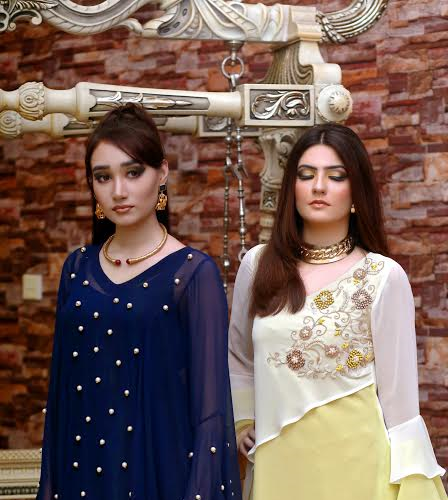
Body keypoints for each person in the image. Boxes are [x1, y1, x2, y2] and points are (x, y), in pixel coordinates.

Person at [229, 123, 447, 500]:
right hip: (278, 465)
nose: (318, 186)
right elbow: (239, 359)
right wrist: (242, 421)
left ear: (356, 192)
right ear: (291, 188)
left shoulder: (381, 277)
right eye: (306, 174)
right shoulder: (259, 265)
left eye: (335, 176)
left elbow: (400, 407)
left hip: (361, 469)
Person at [37, 103, 242, 500]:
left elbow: (211, 414)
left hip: (162, 475)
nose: (118, 191)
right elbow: (59, 400)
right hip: (80, 473)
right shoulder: (77, 269)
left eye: (133, 172)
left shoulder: (193, 274)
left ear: (162, 173)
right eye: (103, 176)